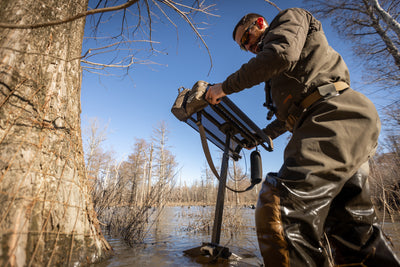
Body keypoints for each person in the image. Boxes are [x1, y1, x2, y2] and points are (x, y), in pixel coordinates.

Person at [205, 8, 400, 267]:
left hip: (334, 115)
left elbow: (280, 55)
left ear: (260, 23)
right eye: (243, 46)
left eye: (247, 38)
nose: (248, 46)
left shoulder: (289, 18)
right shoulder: (282, 76)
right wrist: (262, 136)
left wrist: (223, 87)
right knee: (351, 230)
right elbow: (293, 114)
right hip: (332, 121)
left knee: (282, 206)